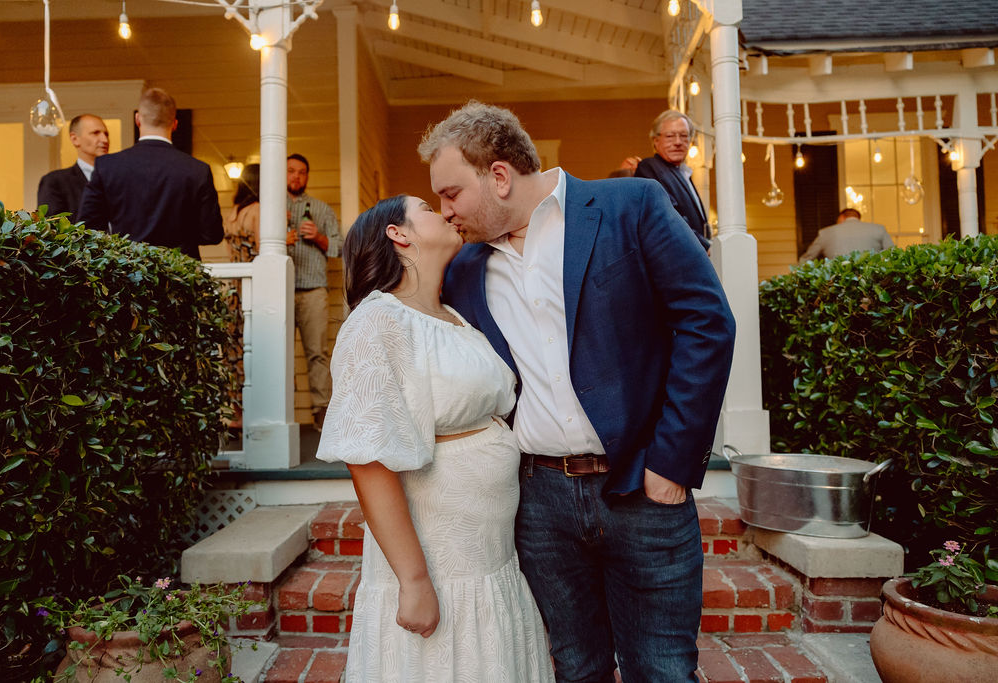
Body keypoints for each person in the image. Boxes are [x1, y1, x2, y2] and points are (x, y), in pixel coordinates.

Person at [421, 101, 736, 682]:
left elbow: (707, 322)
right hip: (539, 503)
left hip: (642, 485)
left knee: (663, 671)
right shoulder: (464, 270)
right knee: (575, 669)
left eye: (450, 193)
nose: (445, 211)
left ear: (498, 175)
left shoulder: (630, 206)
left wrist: (672, 462)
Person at [316, 195, 554, 682]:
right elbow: (368, 460)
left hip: (491, 555)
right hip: (441, 562)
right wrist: (415, 579)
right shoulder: (377, 322)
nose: (445, 212)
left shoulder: (455, 317)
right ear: (398, 234)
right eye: (427, 207)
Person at [79, 87, 223, 259]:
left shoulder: (107, 166)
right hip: (181, 269)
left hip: (128, 268)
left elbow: (87, 226)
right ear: (175, 124)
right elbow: (212, 234)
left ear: (137, 119)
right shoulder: (197, 170)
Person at [286, 153, 342, 429]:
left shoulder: (321, 209)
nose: (296, 176)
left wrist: (319, 237)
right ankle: (281, 411)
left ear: (307, 176)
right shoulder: (269, 207)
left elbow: (339, 247)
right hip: (279, 291)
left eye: (301, 172)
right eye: (291, 171)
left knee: (317, 353)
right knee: (278, 354)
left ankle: (321, 412)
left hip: (313, 289)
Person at [634, 110, 711, 249]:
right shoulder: (650, 167)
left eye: (684, 136)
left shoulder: (682, 173)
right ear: (655, 141)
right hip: (678, 252)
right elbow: (669, 213)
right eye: (670, 136)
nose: (678, 142)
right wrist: (702, 244)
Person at [223, 163, 261, 428]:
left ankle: (237, 413)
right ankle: (254, 414)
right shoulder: (258, 210)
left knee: (235, 349)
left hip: (233, 288)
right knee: (256, 348)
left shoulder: (233, 212)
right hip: (254, 286)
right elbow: (261, 249)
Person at [36, 114, 110, 222]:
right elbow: (52, 227)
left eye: (106, 134)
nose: (105, 140)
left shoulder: (119, 177)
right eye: (95, 133)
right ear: (75, 139)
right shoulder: (55, 182)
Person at [799, 208, 895, 263]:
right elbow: (893, 254)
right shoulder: (878, 229)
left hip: (836, 285)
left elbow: (806, 260)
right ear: (858, 218)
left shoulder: (825, 232)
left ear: (842, 217)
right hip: (870, 285)